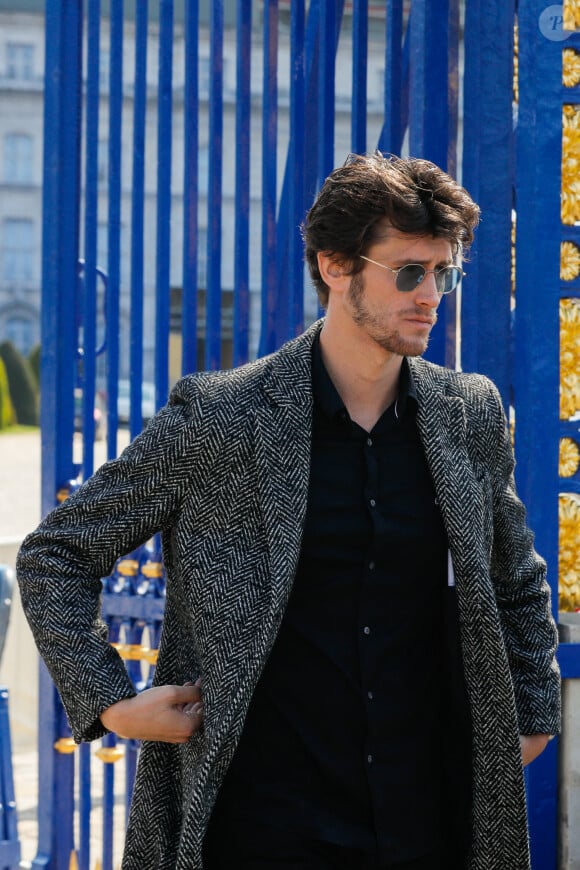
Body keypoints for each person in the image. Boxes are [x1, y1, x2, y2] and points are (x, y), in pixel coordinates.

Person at [17, 153, 560, 870]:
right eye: (408, 272)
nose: (430, 294)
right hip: (265, 817)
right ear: (335, 265)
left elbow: (514, 576)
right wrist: (111, 701)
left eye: (444, 273)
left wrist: (531, 716)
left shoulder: (470, 412)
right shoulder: (221, 417)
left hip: (427, 810)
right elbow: (56, 553)